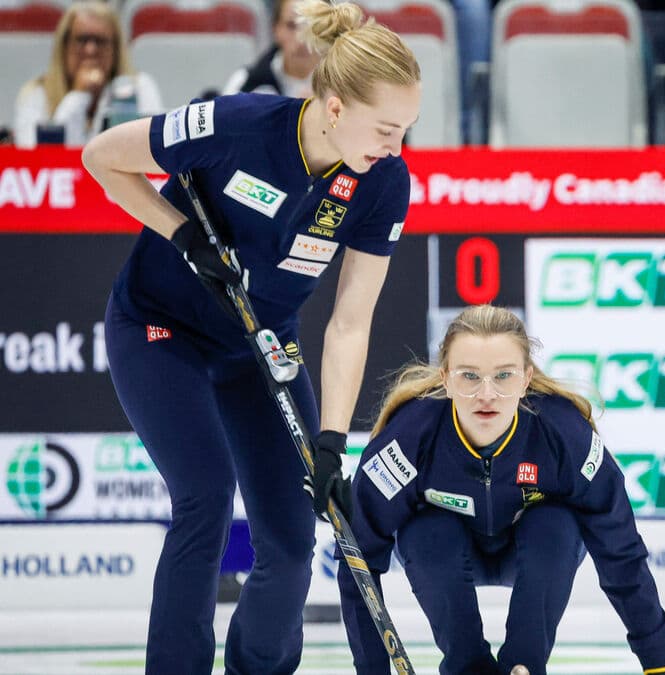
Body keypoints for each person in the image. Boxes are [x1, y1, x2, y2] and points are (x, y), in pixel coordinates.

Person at [79, 0, 420, 671]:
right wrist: (180, 234)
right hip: (159, 325)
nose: (395, 148)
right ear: (333, 107)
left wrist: (331, 443)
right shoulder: (237, 123)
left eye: (406, 129)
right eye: (386, 128)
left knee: (293, 542)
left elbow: (351, 321)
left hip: (259, 346)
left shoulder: (383, 183)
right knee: (205, 496)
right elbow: (101, 158)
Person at [339, 304, 665, 675]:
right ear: (446, 379)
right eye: (470, 376)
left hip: (538, 549)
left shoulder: (565, 436)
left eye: (503, 376)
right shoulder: (405, 441)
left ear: (526, 379)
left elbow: (622, 554)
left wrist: (660, 667)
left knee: (555, 523)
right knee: (426, 530)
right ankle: (469, 667)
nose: (487, 394)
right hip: (440, 552)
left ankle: (524, 666)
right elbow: (358, 562)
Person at [13, 0, 162, 148]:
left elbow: (152, 150)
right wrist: (79, 95)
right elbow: (37, 158)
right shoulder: (37, 93)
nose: (90, 50)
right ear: (64, 45)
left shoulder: (139, 87)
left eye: (100, 41)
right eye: (82, 40)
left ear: (115, 49)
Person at [222, 0, 318, 98]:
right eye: (291, 26)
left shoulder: (333, 84)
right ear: (275, 29)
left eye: (311, 26)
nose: (300, 39)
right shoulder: (244, 81)